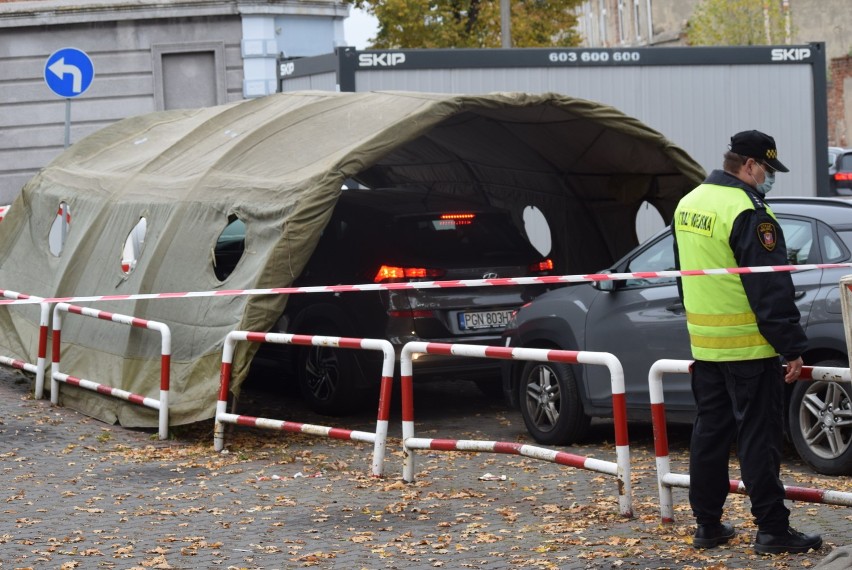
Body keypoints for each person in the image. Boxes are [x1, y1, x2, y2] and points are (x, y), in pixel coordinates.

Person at [672, 130, 822, 555]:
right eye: (768, 170)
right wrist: (791, 346)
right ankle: (772, 530)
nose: (769, 179)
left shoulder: (689, 202)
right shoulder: (747, 210)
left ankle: (707, 525)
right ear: (750, 165)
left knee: (709, 437)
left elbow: (685, 276)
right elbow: (770, 289)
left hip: (705, 348)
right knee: (759, 440)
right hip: (749, 350)